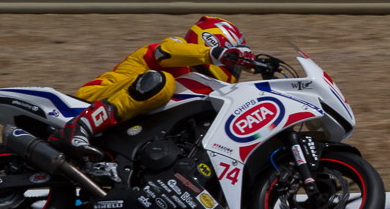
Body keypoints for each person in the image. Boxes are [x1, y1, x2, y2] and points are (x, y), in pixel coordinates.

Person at [49, 15, 255, 163]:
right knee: (162, 81)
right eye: (232, 60)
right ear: (212, 42)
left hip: (127, 127)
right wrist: (217, 54)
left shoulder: (200, 86)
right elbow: (166, 52)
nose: (233, 69)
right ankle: (80, 127)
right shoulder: (175, 48)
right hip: (93, 99)